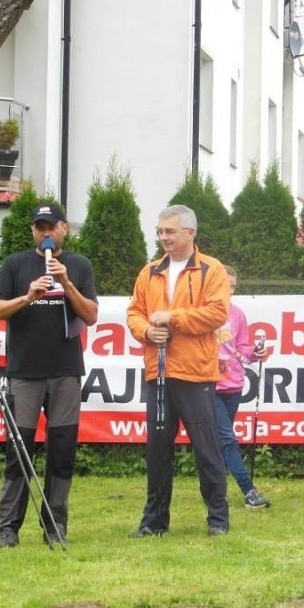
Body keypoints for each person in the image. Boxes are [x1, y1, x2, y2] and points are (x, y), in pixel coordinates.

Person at [0, 203, 98, 547]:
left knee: (62, 450)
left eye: (51, 227)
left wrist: (66, 283)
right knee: (18, 451)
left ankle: (54, 524)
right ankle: (8, 527)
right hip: (24, 373)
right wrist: (27, 296)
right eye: (40, 227)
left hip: (65, 372)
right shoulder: (16, 265)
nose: (45, 233)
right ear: (33, 231)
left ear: (64, 228)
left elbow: (91, 315)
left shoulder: (78, 266)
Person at [126, 204, 231, 537]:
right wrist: (146, 331)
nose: (163, 238)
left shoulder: (210, 270)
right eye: (160, 231)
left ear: (190, 233)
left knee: (207, 449)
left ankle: (218, 519)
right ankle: (154, 521)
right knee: (157, 451)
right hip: (157, 374)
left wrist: (173, 318)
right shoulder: (150, 271)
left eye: (170, 231)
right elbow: (134, 313)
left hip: (196, 373)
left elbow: (217, 314)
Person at [213, 265, 270, 509]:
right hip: (209, 385)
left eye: (234, 286)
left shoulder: (237, 314)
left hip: (234, 384)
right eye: (226, 285)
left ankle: (215, 489)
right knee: (227, 439)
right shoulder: (202, 313)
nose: (230, 290)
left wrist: (256, 353)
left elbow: (243, 348)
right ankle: (249, 490)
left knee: (220, 441)